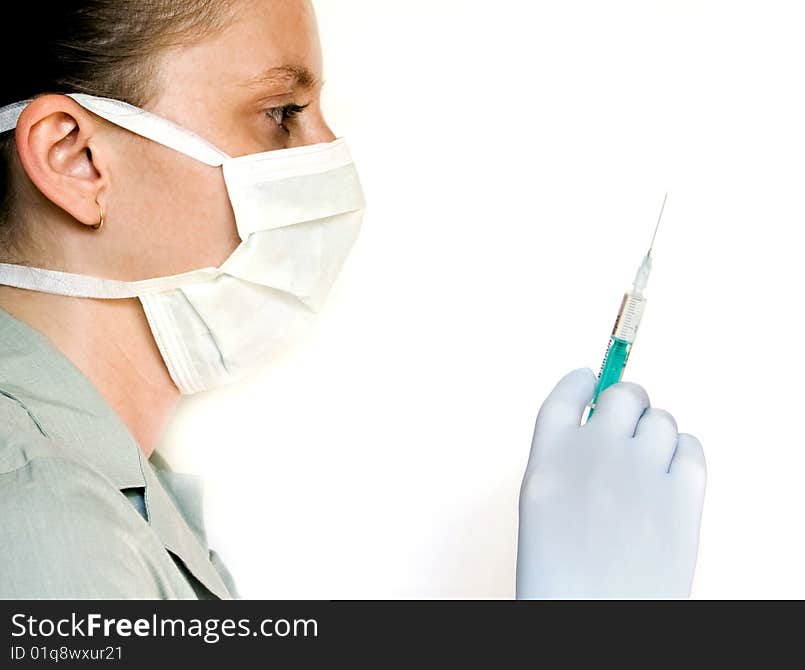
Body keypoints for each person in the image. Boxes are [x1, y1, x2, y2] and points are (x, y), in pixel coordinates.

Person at [0, 0, 705, 600]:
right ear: (75, 159)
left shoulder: (124, 500)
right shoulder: (45, 518)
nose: (329, 154)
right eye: (281, 113)